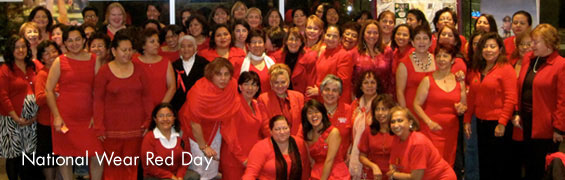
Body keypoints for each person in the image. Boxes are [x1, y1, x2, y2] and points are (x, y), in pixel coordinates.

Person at [45, 26, 104, 180]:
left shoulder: (94, 59)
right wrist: (57, 116)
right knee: (65, 156)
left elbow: (98, 91)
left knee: (97, 154)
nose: (74, 43)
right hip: (64, 117)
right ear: (64, 43)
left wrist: (96, 115)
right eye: (69, 40)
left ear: (84, 40)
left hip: (89, 117)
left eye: (78, 39)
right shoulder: (60, 61)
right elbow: (49, 90)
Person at [94, 32, 154, 179]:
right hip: (111, 129)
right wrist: (99, 126)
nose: (128, 53)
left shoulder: (140, 69)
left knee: (131, 167)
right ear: (114, 51)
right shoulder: (104, 71)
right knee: (112, 167)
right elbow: (98, 100)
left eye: (130, 49)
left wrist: (148, 120)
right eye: (124, 50)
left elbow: (147, 97)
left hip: (136, 128)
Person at [512, 24, 565, 180]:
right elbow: (519, 87)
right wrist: (516, 112)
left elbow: (563, 100)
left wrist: (559, 129)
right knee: (528, 166)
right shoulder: (529, 59)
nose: (531, 46)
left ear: (548, 43)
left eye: (536, 42)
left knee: (542, 167)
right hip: (525, 123)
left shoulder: (561, 65)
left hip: (546, 127)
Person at [463, 32, 517, 180]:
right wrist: (467, 119)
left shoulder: (506, 69)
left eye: (492, 46)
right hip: (481, 123)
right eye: (485, 47)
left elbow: (511, 98)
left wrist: (502, 123)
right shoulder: (479, 69)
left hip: (498, 125)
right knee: (485, 164)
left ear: (500, 49)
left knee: (499, 166)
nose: (488, 50)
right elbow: (472, 96)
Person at [179, 58, 240, 179]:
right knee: (200, 165)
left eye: (226, 74)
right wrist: (204, 146)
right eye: (218, 74)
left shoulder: (232, 84)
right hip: (194, 130)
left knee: (212, 165)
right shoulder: (199, 92)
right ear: (211, 75)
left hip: (216, 128)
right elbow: (194, 123)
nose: (223, 78)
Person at [413, 45, 467, 166]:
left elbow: (464, 106)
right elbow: (416, 104)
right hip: (431, 131)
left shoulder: (459, 81)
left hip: (451, 132)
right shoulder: (427, 80)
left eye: (445, 56)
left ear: (452, 59)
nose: (441, 59)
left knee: (447, 166)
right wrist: (429, 122)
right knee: (431, 166)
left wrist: (461, 108)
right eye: (438, 56)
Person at [0, 35, 42, 180]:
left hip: (33, 122)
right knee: (13, 156)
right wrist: (16, 118)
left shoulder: (33, 66)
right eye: (16, 47)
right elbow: (2, 95)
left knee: (29, 157)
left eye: (23, 46)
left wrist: (35, 117)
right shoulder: (5, 69)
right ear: (11, 50)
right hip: (11, 121)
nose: (21, 50)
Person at [387, 106, 457, 180]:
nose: (396, 125)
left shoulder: (418, 142)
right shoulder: (396, 139)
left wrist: (394, 175)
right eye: (392, 122)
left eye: (400, 120)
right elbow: (393, 165)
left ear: (410, 122)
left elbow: (415, 178)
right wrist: (393, 174)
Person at [220, 71, 263, 180]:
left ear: (258, 88)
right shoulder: (234, 104)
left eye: (254, 85)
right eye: (246, 84)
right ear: (240, 86)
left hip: (251, 158)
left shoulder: (256, 104)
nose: (250, 88)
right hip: (234, 159)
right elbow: (229, 134)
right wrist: (242, 158)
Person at [242, 115, 310, 180]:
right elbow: (250, 174)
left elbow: (305, 171)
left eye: (285, 128)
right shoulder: (261, 147)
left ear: (289, 128)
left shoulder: (299, 143)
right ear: (271, 131)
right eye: (277, 129)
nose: (282, 132)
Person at [141, 103, 193, 180]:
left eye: (169, 115)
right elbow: (148, 166)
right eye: (161, 116)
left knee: (194, 176)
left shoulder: (181, 134)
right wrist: (170, 176)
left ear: (174, 118)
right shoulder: (149, 138)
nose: (165, 119)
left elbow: (187, 158)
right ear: (155, 119)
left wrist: (180, 176)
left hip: (176, 173)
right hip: (155, 175)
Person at [302, 99, 350, 180]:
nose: (314, 115)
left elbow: (329, 160)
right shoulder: (308, 134)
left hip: (336, 174)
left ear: (323, 114)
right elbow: (312, 161)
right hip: (316, 173)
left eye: (317, 112)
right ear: (306, 117)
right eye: (310, 113)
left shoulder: (333, 132)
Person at [34, 40, 62, 180]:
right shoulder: (42, 74)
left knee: (62, 158)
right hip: (46, 123)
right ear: (41, 58)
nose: (50, 55)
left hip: (63, 122)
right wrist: (54, 92)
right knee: (48, 159)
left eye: (53, 51)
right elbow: (39, 99)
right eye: (45, 53)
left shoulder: (63, 70)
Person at [396, 25, 436, 117]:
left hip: (434, 111)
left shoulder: (437, 61)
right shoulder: (404, 64)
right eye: (418, 38)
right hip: (412, 112)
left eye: (425, 38)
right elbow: (400, 92)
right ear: (413, 42)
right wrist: (406, 114)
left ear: (430, 42)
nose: (421, 42)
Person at [308, 25, 353, 103]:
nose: (331, 39)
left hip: (337, 99)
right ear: (324, 36)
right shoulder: (322, 52)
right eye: (328, 35)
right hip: (322, 98)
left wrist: (320, 90)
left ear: (340, 39)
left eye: (335, 36)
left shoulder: (344, 55)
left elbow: (342, 81)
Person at [257, 64, 305, 138]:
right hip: (274, 142)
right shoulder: (263, 99)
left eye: (283, 82)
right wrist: (280, 142)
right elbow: (265, 127)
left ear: (288, 82)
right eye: (276, 82)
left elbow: (302, 123)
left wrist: (296, 140)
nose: (280, 86)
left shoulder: (299, 97)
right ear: (271, 84)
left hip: (297, 140)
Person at [348, 70, 379, 179]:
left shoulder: (381, 104)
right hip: (355, 153)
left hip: (375, 155)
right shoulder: (354, 105)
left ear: (377, 85)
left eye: (372, 82)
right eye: (366, 83)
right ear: (360, 87)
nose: (369, 86)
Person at [133, 29, 176, 105]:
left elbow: (172, 87)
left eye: (157, 41)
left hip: (160, 109)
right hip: (138, 106)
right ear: (143, 45)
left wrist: (161, 107)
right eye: (152, 42)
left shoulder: (165, 62)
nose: (157, 44)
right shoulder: (134, 62)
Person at [358, 94, 396, 180]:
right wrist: (373, 166)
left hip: (394, 175)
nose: (380, 113)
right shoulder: (369, 130)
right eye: (377, 109)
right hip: (374, 175)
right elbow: (362, 156)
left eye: (384, 109)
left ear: (391, 111)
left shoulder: (397, 131)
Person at [352, 20, 394, 95]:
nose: (372, 36)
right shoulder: (355, 53)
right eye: (369, 32)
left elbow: (391, 77)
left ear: (379, 34)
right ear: (363, 34)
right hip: (361, 97)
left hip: (383, 98)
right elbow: (352, 80)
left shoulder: (387, 51)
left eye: (375, 33)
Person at [170, 35, 209, 111]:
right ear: (179, 49)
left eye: (189, 46)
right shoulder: (173, 66)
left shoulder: (205, 64)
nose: (186, 49)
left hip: (200, 105)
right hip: (178, 107)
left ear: (195, 48)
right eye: (183, 46)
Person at [320, 75, 352, 161]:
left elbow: (355, 137)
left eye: (334, 90)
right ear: (321, 92)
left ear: (339, 94)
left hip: (343, 163)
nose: (330, 93)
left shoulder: (349, 110)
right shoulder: (315, 111)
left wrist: (350, 154)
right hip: (320, 163)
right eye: (327, 90)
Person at [233, 29, 276, 93]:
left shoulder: (272, 61)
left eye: (260, 42)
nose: (257, 45)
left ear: (264, 45)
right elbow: (236, 86)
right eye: (253, 42)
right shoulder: (240, 63)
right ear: (248, 46)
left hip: (269, 100)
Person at [282, 27, 317, 93]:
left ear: (301, 43)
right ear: (286, 41)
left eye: (297, 40)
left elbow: (310, 85)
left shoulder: (309, 58)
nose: (293, 42)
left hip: (301, 97)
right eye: (291, 39)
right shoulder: (278, 57)